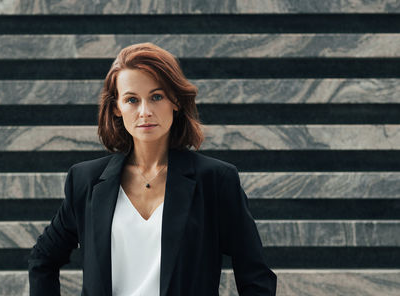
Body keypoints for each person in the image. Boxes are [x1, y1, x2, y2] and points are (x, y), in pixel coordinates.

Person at [28, 42, 277, 295]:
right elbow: (43, 258)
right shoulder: (86, 181)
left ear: (176, 101)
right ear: (117, 107)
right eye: (132, 100)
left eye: (156, 97)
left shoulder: (215, 181)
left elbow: (256, 276)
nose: (144, 112)